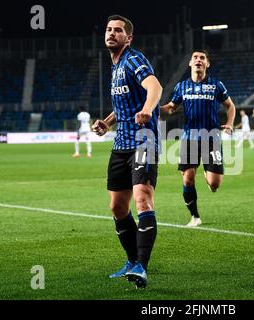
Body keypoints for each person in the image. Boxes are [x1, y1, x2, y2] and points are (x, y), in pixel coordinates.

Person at [91, 15, 162, 289]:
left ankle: (142, 267)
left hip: (143, 140)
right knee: (117, 207)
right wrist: (106, 122)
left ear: (128, 37)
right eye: (108, 29)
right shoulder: (115, 67)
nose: (111, 33)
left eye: (118, 30)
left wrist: (147, 109)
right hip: (120, 144)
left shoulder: (133, 59)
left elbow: (154, 86)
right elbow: (122, 104)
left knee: (143, 200)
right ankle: (132, 262)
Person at [161, 49, 236, 227]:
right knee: (187, 178)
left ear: (207, 64)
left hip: (212, 138)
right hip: (190, 138)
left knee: (214, 184)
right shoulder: (182, 86)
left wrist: (230, 122)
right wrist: (153, 109)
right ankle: (195, 216)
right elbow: (171, 107)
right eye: (195, 57)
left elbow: (230, 106)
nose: (198, 60)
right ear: (190, 63)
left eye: (202, 58)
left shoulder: (217, 85)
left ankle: (208, 175)